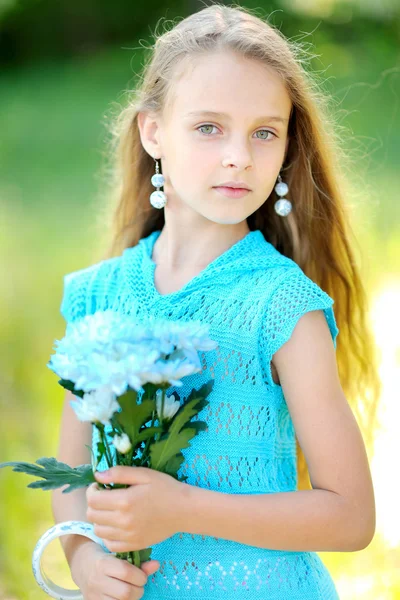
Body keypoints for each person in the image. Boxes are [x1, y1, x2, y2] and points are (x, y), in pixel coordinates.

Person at [51, 4, 381, 599]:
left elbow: (352, 516)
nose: (239, 156)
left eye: (264, 132)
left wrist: (181, 508)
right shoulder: (96, 296)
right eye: (209, 128)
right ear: (154, 132)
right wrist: (80, 556)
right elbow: (73, 473)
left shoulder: (281, 306)